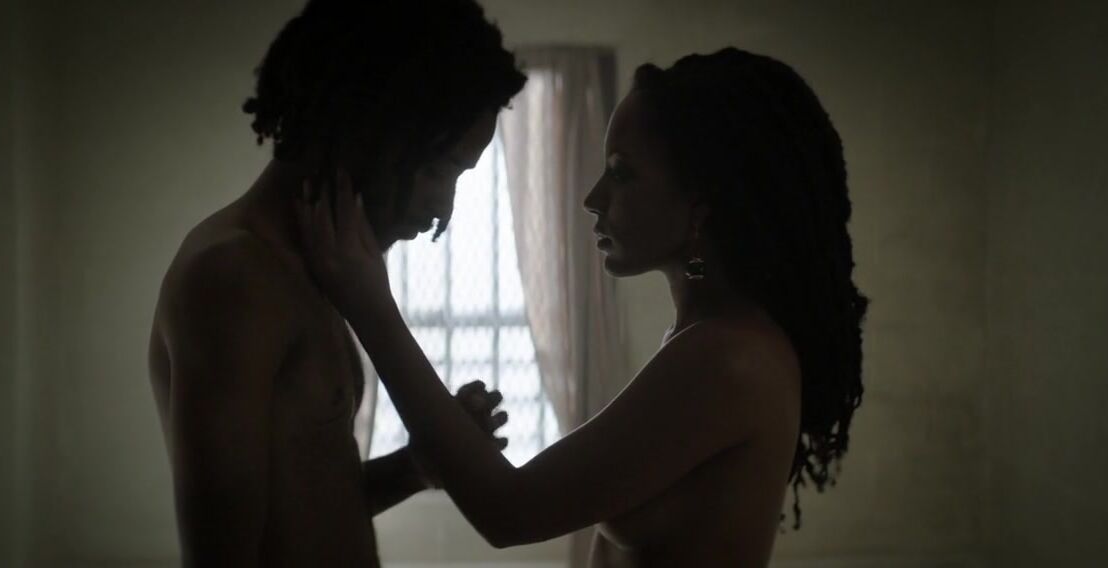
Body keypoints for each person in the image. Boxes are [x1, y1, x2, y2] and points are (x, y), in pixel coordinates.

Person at [297, 47, 870, 567]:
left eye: (621, 174)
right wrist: (417, 464)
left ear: (700, 206)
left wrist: (371, 305)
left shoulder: (728, 358)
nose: (594, 199)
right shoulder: (704, 338)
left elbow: (510, 511)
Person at [146, 0, 527, 565]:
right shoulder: (236, 278)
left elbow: (301, 511)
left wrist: (414, 467)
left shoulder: (313, 273)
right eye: (437, 169)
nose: (442, 209)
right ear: (365, 128)